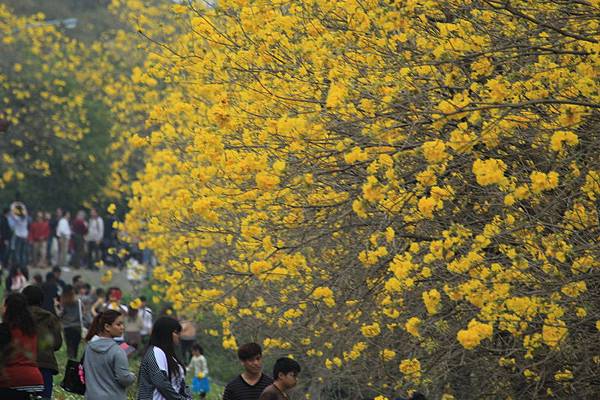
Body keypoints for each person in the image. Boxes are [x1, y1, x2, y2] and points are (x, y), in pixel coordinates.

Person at [83, 310, 136, 400]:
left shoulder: (89, 347)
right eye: (118, 324)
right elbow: (124, 378)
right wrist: (132, 376)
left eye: (122, 324)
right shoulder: (117, 351)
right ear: (107, 327)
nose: (122, 327)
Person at [22, 285, 63, 400]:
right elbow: (57, 344)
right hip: (45, 365)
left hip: (22, 365)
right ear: (41, 300)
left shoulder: (18, 317)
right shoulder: (50, 318)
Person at [0, 293, 44, 399]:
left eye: (2, 305)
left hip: (12, 381)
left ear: (7, 308)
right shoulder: (31, 330)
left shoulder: (5, 329)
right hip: (35, 381)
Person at [137, 316, 189, 400]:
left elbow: (181, 384)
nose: (179, 336)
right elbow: (161, 383)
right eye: (176, 332)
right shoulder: (155, 352)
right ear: (165, 333)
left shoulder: (171, 356)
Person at [59, 285, 83, 359]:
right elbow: (82, 311)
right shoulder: (78, 301)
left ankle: (70, 362)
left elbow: (60, 314)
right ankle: (74, 361)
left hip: (67, 327)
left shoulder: (64, 301)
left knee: (70, 346)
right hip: (77, 326)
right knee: (75, 347)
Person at [8, 202, 29, 268]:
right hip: (25, 236)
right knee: (23, 252)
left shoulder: (17, 219)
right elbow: (24, 212)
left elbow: (13, 215)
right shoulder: (25, 218)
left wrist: (13, 208)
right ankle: (24, 265)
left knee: (17, 252)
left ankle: (18, 265)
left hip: (18, 236)